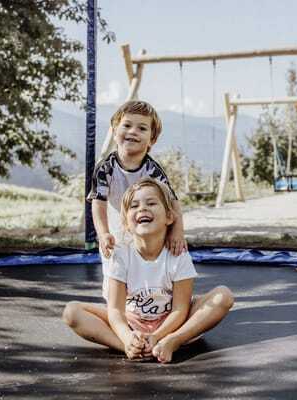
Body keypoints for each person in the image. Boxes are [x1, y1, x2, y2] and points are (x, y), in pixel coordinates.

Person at [63, 178, 234, 363]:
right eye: (134, 206)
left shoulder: (177, 255)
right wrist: (127, 337)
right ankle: (129, 348)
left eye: (151, 203)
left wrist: (158, 335)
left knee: (224, 296)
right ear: (126, 223)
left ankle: (173, 341)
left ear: (169, 217)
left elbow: (179, 309)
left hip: (172, 324)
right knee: (71, 312)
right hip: (131, 323)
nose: (142, 209)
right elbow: (115, 310)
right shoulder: (121, 255)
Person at [87, 100, 186, 258]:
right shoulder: (105, 169)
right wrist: (103, 233)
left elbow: (172, 201)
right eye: (127, 125)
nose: (133, 131)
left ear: (151, 140)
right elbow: (98, 204)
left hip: (149, 239)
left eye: (142, 128)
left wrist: (177, 232)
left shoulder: (152, 170)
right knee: (115, 282)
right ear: (114, 131)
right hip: (115, 240)